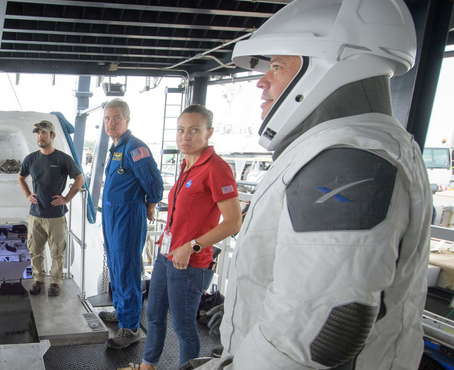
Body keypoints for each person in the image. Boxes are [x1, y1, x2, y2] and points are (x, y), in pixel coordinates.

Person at [193, 0, 430, 369]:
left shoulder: (348, 157)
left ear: (326, 67)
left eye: (276, 66)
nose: (261, 80)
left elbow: (324, 326)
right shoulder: (356, 146)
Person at [132, 105, 241, 370]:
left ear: (209, 133)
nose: (186, 136)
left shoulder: (216, 168)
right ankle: (148, 366)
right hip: (166, 254)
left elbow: (233, 222)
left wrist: (191, 247)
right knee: (154, 315)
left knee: (183, 327)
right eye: (181, 130)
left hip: (189, 262)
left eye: (194, 130)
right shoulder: (185, 163)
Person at [98, 98, 164, 349]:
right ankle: (121, 311)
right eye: (107, 118)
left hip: (128, 218)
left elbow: (154, 184)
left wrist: (150, 204)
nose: (111, 123)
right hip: (113, 218)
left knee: (127, 269)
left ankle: (131, 327)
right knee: (116, 266)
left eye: (116, 118)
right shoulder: (116, 148)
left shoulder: (136, 148)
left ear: (127, 119)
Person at [18, 119, 85, 296]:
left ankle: (55, 282)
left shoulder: (63, 159)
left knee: (57, 251)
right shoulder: (31, 159)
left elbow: (79, 179)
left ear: (52, 136)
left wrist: (66, 199)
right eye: (38, 133)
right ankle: (38, 279)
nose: (40, 136)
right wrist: (27, 194)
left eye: (44, 133)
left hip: (56, 215)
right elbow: (21, 177)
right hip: (36, 214)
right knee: (35, 249)